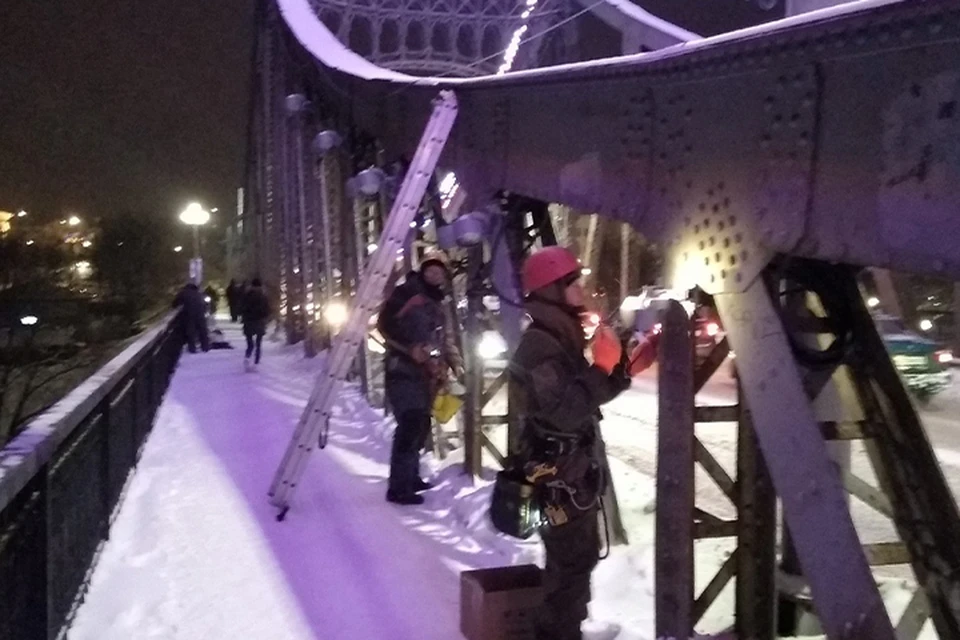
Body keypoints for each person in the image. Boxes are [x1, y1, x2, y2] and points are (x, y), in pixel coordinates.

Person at [508, 246, 655, 640]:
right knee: (570, 563)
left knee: (576, 559)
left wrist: (622, 370)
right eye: (573, 282)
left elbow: (582, 393)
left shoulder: (560, 334)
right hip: (556, 475)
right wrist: (602, 367)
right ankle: (556, 632)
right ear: (551, 290)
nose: (582, 288)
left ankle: (561, 628)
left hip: (569, 473)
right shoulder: (540, 344)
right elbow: (564, 411)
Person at [377, 252, 461, 505]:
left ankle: (411, 477)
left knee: (421, 425)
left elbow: (444, 338)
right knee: (410, 423)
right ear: (423, 271)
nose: (435, 275)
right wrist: (409, 348)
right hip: (402, 369)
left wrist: (455, 364)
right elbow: (385, 324)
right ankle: (398, 487)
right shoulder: (407, 293)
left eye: (440, 272)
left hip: (426, 374)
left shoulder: (439, 302)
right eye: (431, 270)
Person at [241, 278, 271, 372]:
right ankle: (256, 363)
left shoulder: (246, 295)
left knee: (250, 344)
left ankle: (247, 357)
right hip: (259, 322)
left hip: (248, 322)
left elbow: (241, 308)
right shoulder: (263, 296)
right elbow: (267, 310)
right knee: (258, 344)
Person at [172, 281, 210, 353]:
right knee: (202, 331)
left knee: (191, 332)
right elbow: (205, 304)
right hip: (200, 314)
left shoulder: (184, 293)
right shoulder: (199, 293)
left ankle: (192, 348)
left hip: (189, 314)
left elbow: (175, 303)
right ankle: (205, 347)